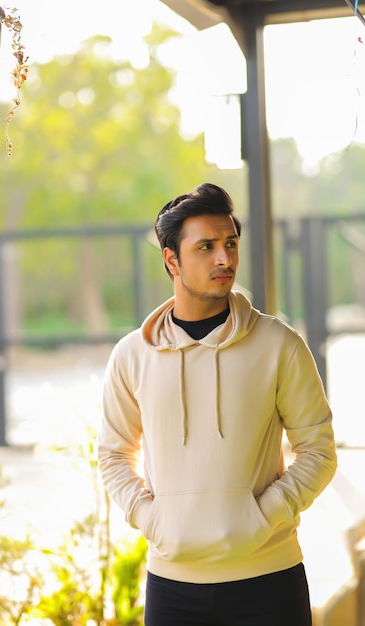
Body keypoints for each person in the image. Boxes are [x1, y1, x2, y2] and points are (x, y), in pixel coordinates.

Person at [98, 182, 337, 626]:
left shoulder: (279, 345)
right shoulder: (132, 355)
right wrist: (152, 519)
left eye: (229, 244)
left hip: (270, 579)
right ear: (172, 259)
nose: (224, 258)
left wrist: (262, 516)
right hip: (173, 589)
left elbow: (319, 452)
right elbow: (113, 455)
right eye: (206, 247)